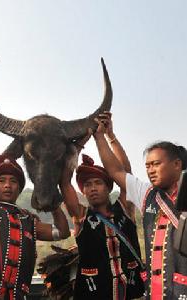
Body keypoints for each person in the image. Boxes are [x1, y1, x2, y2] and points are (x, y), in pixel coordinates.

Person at [0, 111, 70, 300]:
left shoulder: (27, 220)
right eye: (1, 180)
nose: (8, 185)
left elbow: (63, 232)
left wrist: (52, 200)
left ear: (20, 188)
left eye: (13, 181)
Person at [93, 114, 187, 299]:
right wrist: (102, 137)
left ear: (177, 164)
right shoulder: (147, 194)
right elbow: (115, 171)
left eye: (156, 164)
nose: (150, 170)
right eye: (148, 166)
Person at [60, 112, 144, 300]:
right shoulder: (80, 216)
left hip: (133, 293)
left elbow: (126, 173)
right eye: (87, 185)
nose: (92, 189)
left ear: (108, 186)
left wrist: (108, 136)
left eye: (97, 183)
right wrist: (80, 144)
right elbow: (65, 183)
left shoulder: (125, 210)